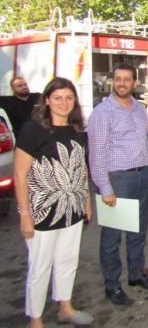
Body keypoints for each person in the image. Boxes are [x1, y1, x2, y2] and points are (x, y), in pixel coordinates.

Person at [14, 77, 94, 328]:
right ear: (47, 100)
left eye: (69, 98)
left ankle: (65, 308)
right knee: (40, 267)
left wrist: (87, 201)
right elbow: (20, 174)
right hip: (43, 212)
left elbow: (81, 167)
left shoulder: (76, 129)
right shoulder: (33, 130)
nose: (64, 103)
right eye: (57, 98)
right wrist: (25, 215)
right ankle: (35, 320)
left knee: (67, 260)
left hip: (72, 208)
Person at [88, 63, 148, 306]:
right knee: (112, 237)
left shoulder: (140, 109)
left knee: (139, 230)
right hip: (118, 180)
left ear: (134, 82)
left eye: (127, 79)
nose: (122, 83)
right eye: (118, 79)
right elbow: (96, 154)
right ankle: (113, 285)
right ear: (112, 81)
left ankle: (136, 274)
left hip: (142, 175)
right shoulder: (102, 113)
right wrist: (105, 188)